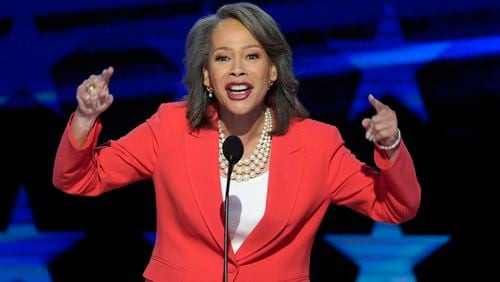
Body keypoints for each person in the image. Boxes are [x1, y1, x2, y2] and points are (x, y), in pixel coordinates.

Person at [52, 2, 421, 281]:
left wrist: (391, 146)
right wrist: (85, 118)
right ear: (208, 77)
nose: (238, 68)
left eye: (252, 56)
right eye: (223, 57)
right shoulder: (170, 127)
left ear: (272, 71)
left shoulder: (318, 144)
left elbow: (396, 207)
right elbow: (78, 178)